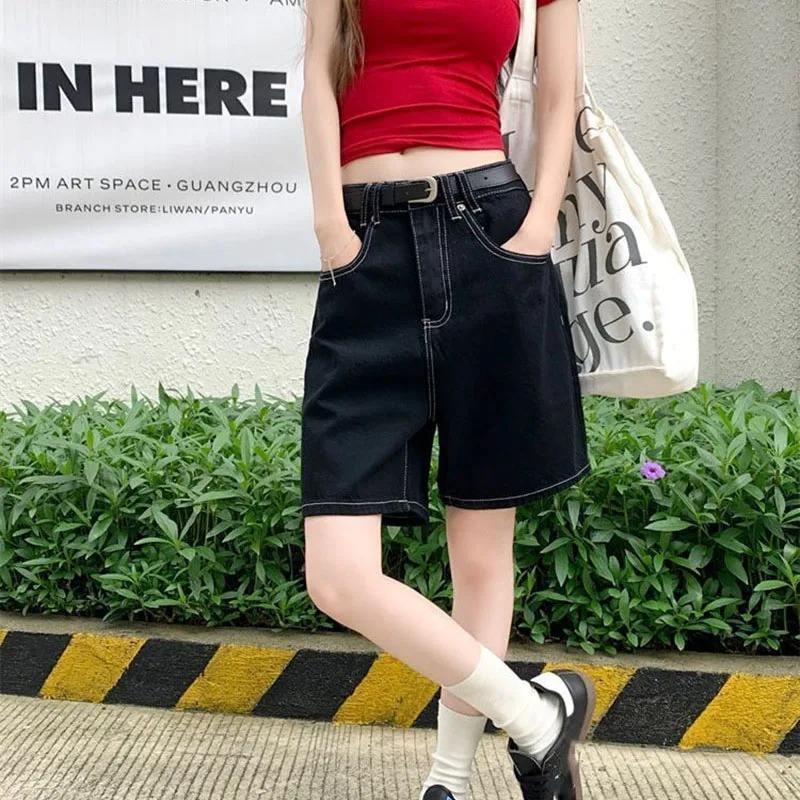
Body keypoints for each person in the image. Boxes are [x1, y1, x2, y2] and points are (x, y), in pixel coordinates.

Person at [299, 1, 593, 798]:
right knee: (336, 575)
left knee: (481, 549)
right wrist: (330, 227)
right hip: (365, 252)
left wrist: (538, 224)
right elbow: (319, 69)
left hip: (492, 233)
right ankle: (538, 717)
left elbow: (560, 94)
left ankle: (450, 781)